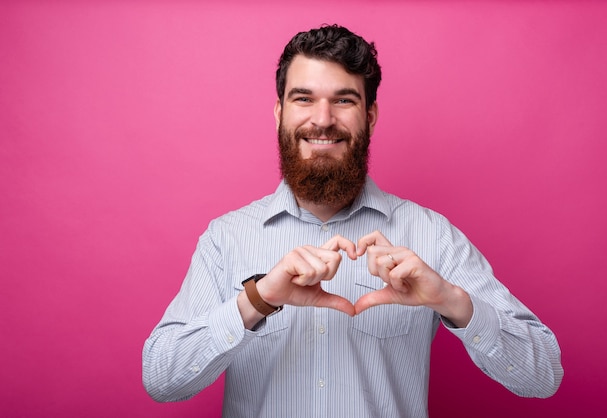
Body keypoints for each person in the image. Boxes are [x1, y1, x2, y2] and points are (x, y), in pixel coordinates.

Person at [142, 24, 563, 417]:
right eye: (303, 98)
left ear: (371, 116)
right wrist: (258, 299)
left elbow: (544, 374)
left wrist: (452, 302)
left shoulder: (432, 235)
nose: (322, 119)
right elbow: (161, 379)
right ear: (278, 112)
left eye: (344, 100)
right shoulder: (226, 238)